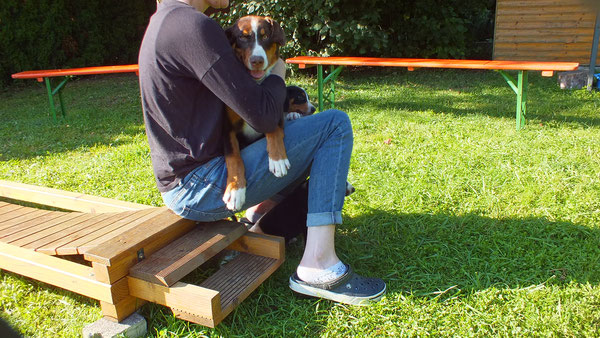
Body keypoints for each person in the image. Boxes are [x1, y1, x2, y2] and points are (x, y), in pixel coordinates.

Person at [138, 0, 386, 305]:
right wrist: (277, 74)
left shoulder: (165, 22)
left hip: (187, 182)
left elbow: (242, 108)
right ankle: (317, 266)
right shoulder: (191, 26)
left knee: (298, 131)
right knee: (334, 124)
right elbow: (263, 115)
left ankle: (262, 213)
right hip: (202, 184)